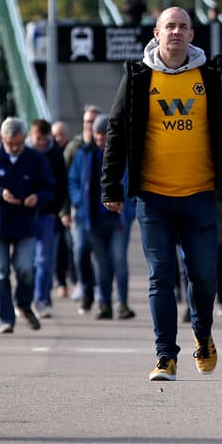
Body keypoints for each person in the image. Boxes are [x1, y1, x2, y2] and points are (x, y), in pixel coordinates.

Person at [100, 6, 222, 382]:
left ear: (192, 35)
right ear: (156, 33)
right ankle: (165, 355)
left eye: (183, 26)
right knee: (161, 277)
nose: (176, 32)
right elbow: (117, 130)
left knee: (204, 277)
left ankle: (202, 333)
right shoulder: (138, 76)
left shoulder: (210, 75)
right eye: (169, 26)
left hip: (200, 195)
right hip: (153, 198)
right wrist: (110, 184)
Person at [0, 117, 53, 335]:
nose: (15, 148)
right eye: (10, 144)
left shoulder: (35, 158)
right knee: (0, 273)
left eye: (19, 143)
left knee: (26, 269)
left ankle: (24, 304)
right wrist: (0, 193)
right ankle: (6, 318)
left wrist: (38, 197)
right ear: (2, 138)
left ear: (24, 138)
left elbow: (49, 186)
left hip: (25, 223)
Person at [69, 114, 135, 320]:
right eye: (97, 134)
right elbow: (73, 181)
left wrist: (129, 209)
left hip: (118, 220)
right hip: (94, 219)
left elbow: (133, 184)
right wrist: (79, 202)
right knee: (101, 264)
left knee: (119, 260)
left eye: (104, 135)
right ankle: (104, 304)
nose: (100, 139)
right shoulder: (84, 154)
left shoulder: (125, 155)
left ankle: (122, 304)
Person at [29, 119, 68, 319]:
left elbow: (62, 185)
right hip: (26, 215)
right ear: (31, 136)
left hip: (47, 214)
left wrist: (55, 210)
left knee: (44, 260)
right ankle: (26, 299)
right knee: (27, 261)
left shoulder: (55, 154)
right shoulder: (24, 152)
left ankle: (40, 299)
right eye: (39, 139)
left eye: (45, 139)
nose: (42, 143)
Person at [64, 105, 101, 312]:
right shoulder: (74, 148)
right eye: (87, 121)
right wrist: (65, 210)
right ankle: (87, 291)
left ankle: (103, 293)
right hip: (80, 210)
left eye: (94, 122)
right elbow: (66, 180)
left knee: (104, 255)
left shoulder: (110, 144)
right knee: (81, 251)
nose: (90, 125)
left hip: (103, 211)